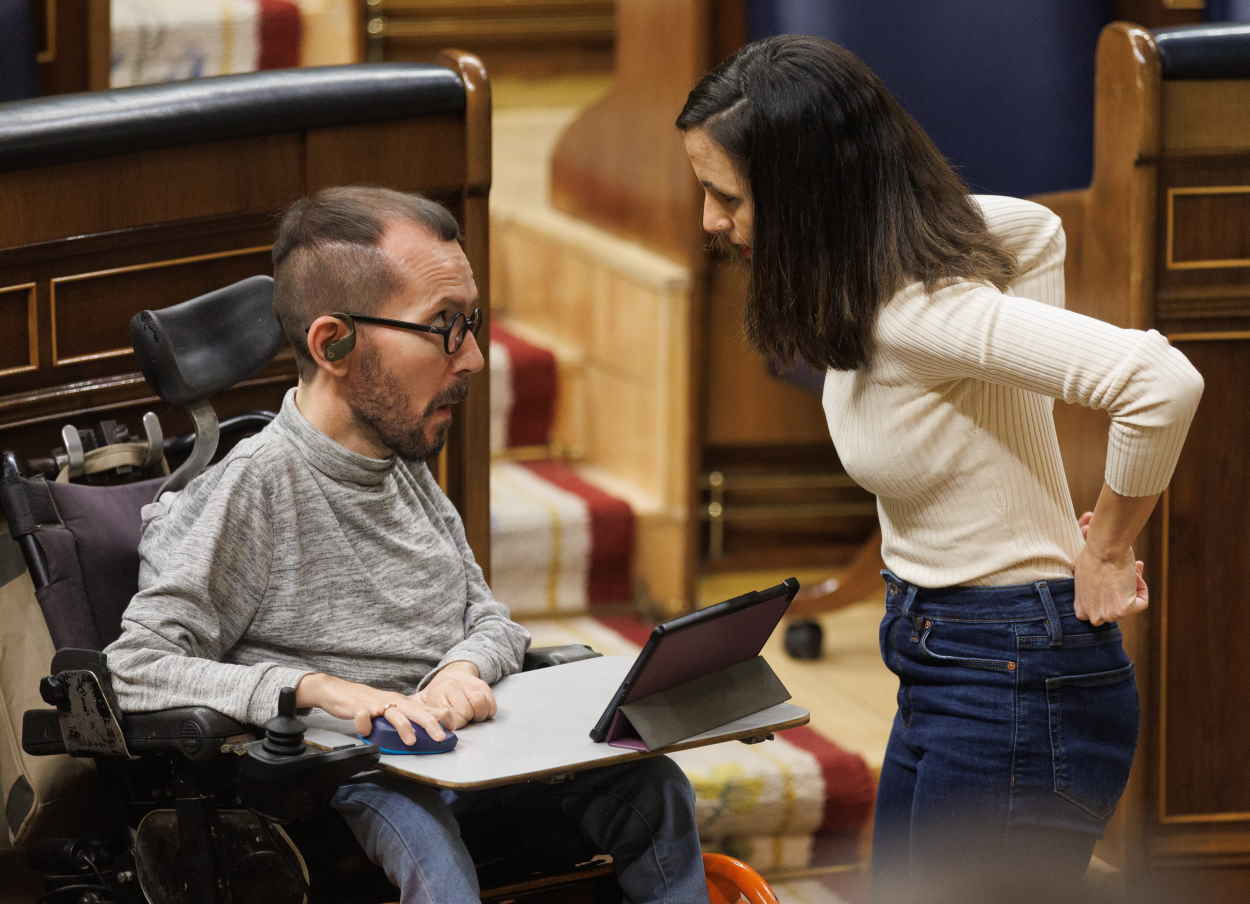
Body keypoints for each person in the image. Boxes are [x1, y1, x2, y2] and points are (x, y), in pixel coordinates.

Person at [676, 35, 1203, 903]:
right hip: (950, 657)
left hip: (1013, 670)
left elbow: (1161, 382)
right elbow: (1037, 229)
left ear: (810, 195)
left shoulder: (922, 312)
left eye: (726, 195)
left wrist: (1108, 545)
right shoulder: (891, 275)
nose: (708, 220)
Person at [103, 186, 708, 904]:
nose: (476, 358)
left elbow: (489, 619)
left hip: (468, 758)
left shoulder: (404, 465)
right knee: (430, 853)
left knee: (654, 786)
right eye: (445, 327)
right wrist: (313, 688)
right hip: (350, 778)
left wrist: (462, 670)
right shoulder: (251, 489)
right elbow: (135, 667)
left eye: (472, 323)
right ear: (335, 344)